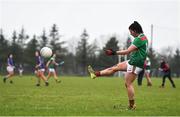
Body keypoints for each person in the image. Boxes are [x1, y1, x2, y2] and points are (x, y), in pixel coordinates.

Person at [88, 21, 148, 110]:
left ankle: (132, 106)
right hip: (133, 61)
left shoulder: (138, 39)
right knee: (115, 67)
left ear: (135, 30)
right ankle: (95, 74)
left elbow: (127, 51)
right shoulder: (143, 37)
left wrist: (113, 52)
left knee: (128, 84)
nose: (130, 34)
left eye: (131, 31)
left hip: (136, 63)